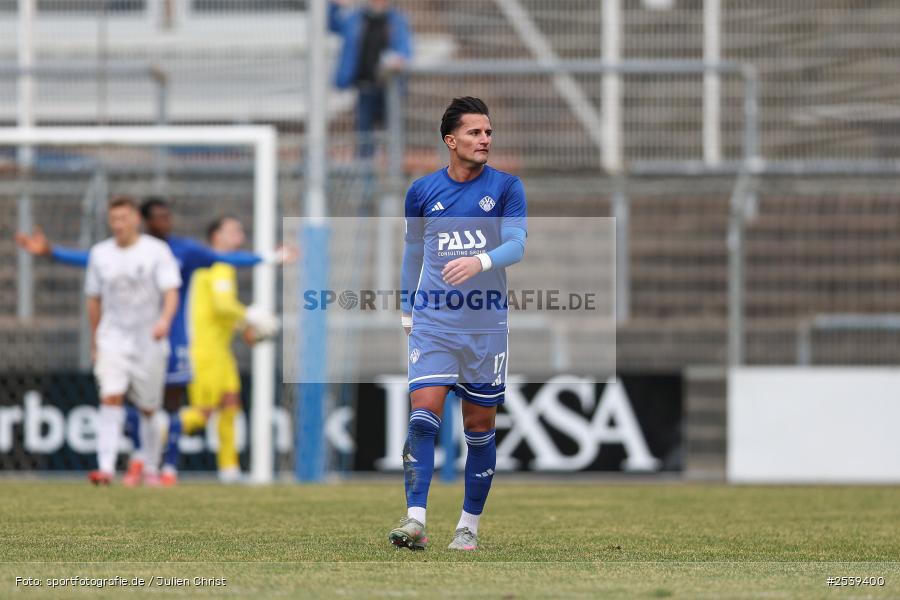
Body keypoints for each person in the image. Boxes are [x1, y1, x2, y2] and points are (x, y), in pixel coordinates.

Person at [15, 197, 291, 485]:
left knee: (166, 405)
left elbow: (225, 258)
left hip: (173, 339)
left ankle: (168, 468)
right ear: (144, 220)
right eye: (158, 216)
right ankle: (129, 461)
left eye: (167, 216)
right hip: (131, 339)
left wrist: (270, 258)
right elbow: (89, 260)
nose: (165, 221)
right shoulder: (123, 251)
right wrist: (51, 252)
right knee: (124, 399)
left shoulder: (181, 250)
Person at [391, 97, 528, 551]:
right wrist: (408, 309)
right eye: (474, 132)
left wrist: (480, 260)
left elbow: (517, 245)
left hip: (485, 325)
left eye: (488, 132)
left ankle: (468, 525)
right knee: (423, 416)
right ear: (451, 140)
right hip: (434, 321)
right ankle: (415, 519)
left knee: (479, 427)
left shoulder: (507, 187)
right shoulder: (422, 191)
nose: (484, 139)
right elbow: (413, 251)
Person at [85, 196, 181, 485]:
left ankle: (151, 466)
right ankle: (106, 468)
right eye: (113, 219)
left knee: (149, 407)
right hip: (113, 338)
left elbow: (171, 291)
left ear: (135, 219)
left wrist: (164, 320)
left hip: (148, 340)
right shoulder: (100, 254)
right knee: (110, 397)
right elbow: (93, 299)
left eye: (123, 219)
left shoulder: (156, 251)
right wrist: (95, 340)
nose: (118, 225)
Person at [178, 215, 278, 483]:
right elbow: (223, 305)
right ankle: (149, 433)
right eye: (234, 230)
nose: (240, 236)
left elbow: (215, 312)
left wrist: (242, 326)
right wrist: (251, 316)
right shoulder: (216, 264)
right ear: (217, 236)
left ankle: (229, 469)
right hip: (205, 352)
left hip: (220, 351)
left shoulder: (214, 266)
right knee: (201, 415)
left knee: (231, 406)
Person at [329, 0, 413, 158]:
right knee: (364, 138)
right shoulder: (355, 19)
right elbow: (332, 23)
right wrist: (335, 5)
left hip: (389, 90)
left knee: (393, 134)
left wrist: (399, 59)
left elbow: (405, 49)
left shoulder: (397, 20)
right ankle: (366, 177)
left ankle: (393, 172)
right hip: (365, 88)